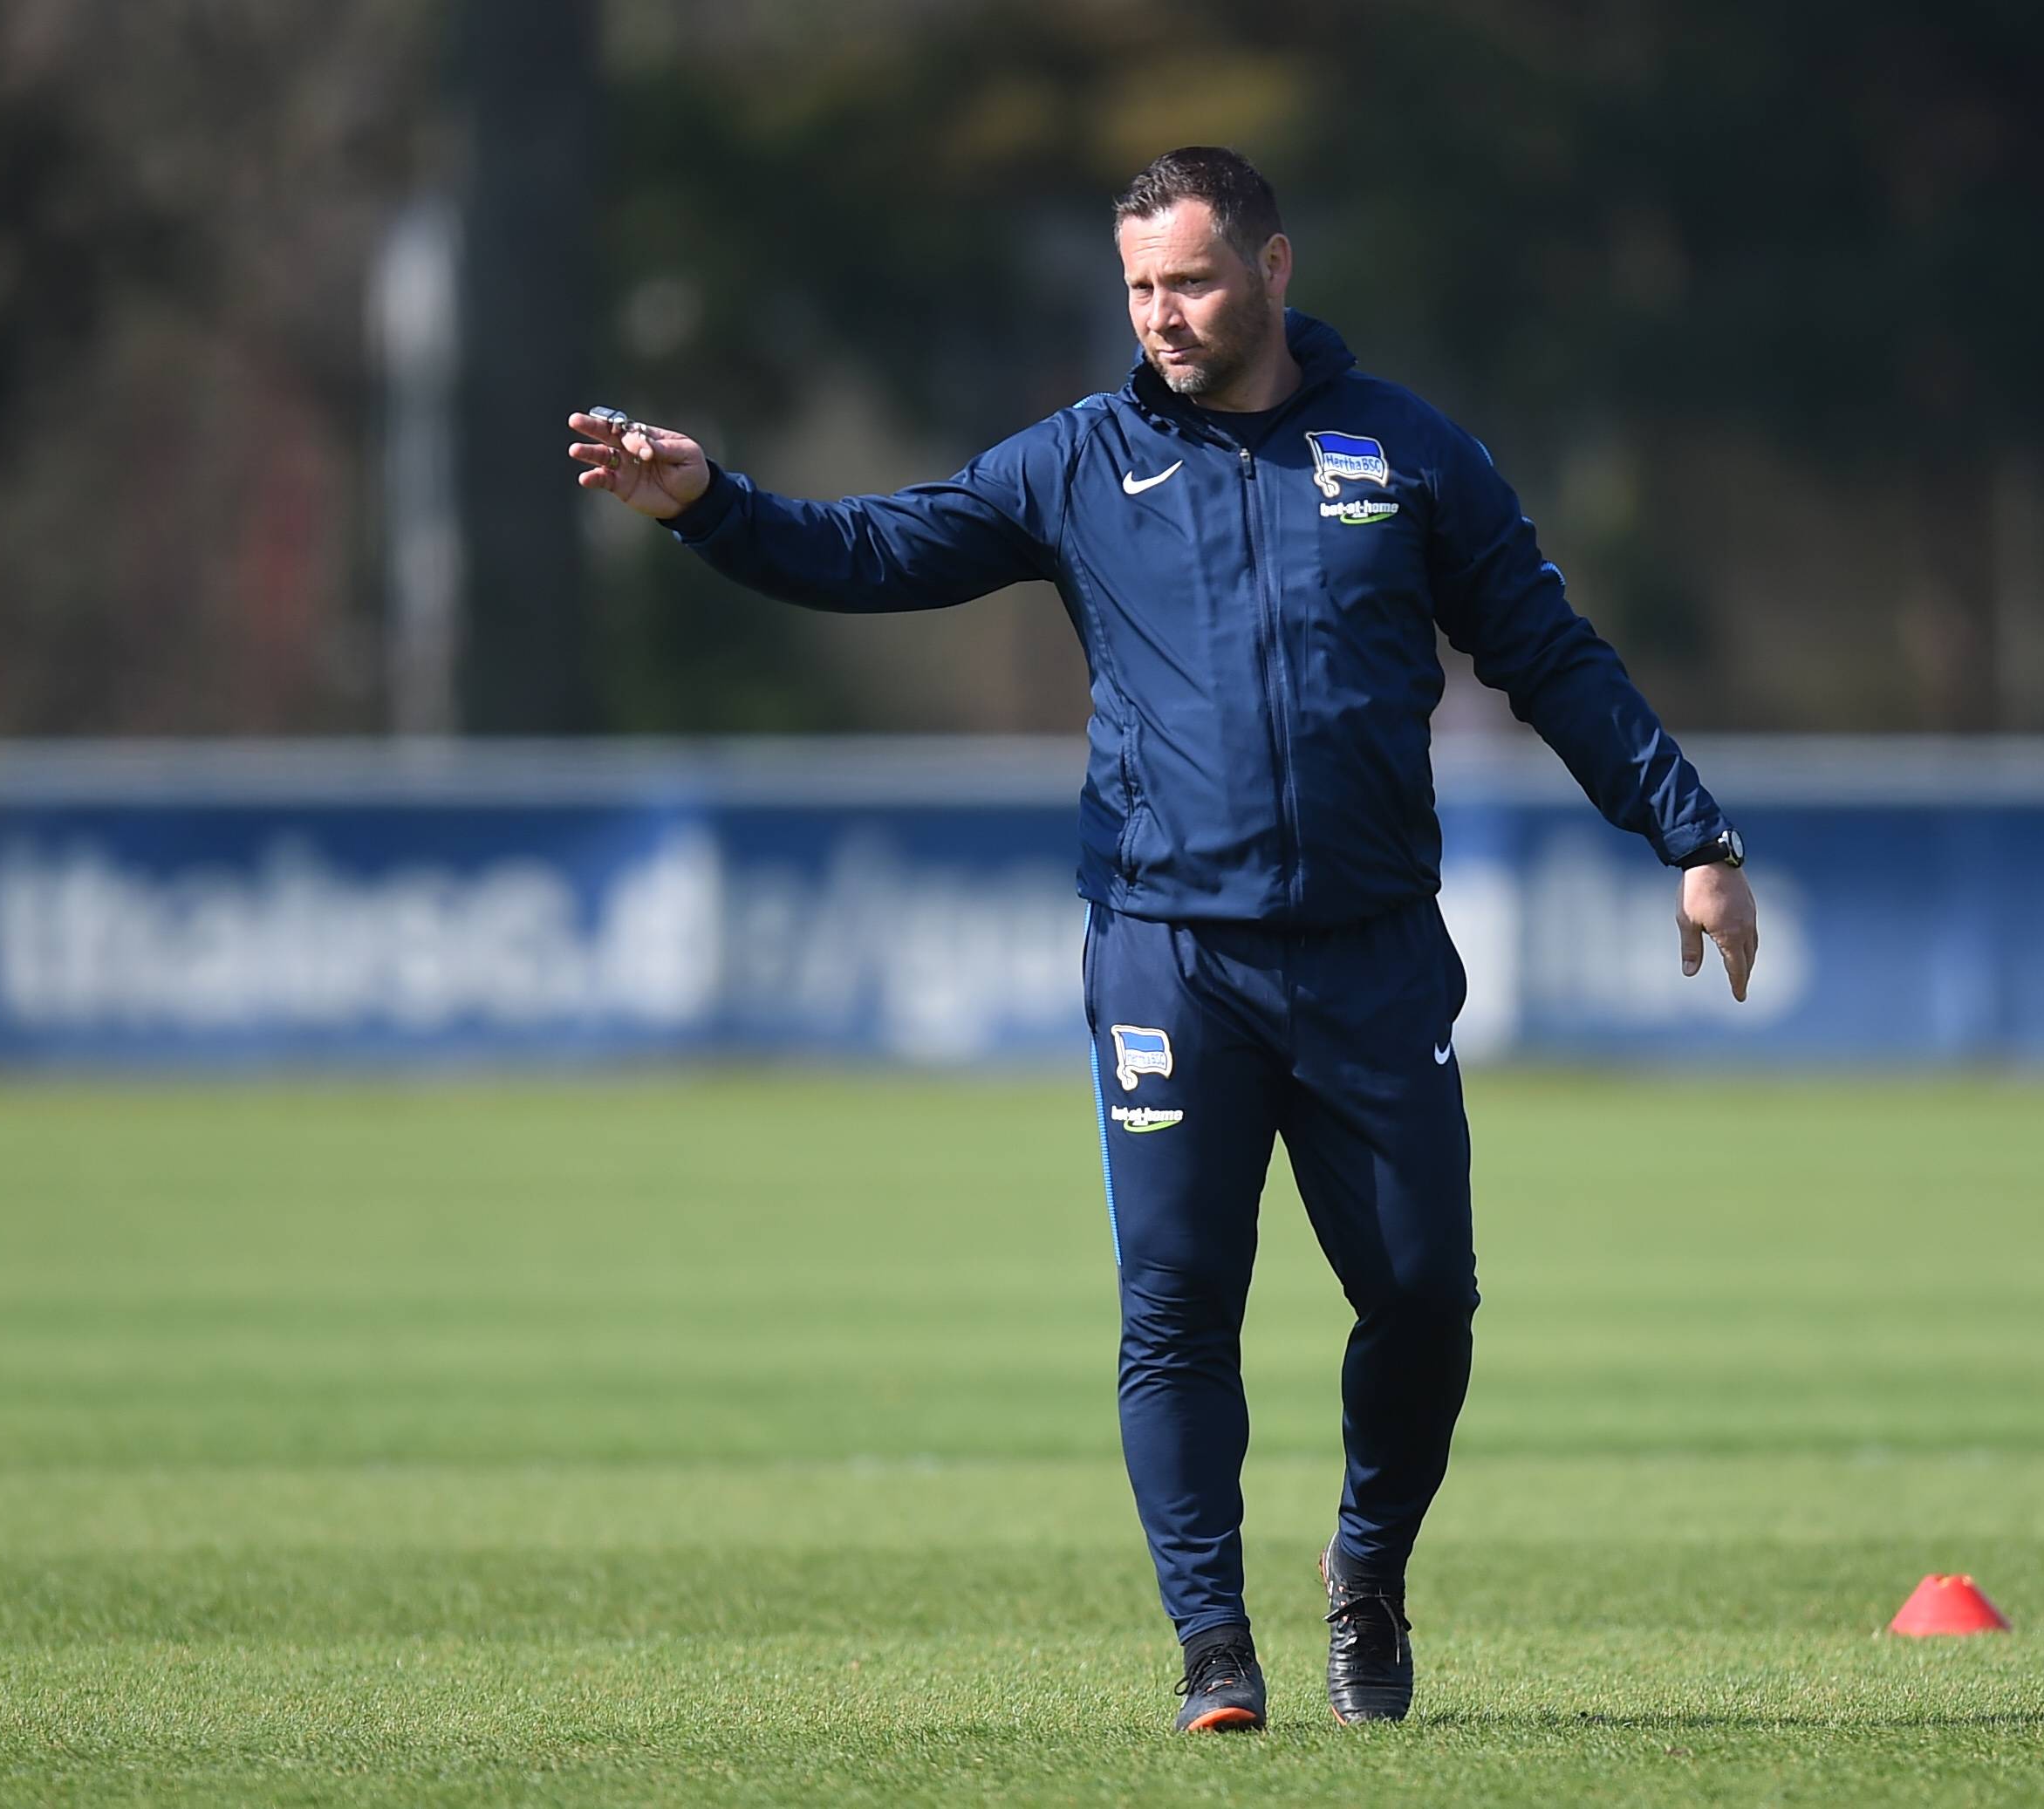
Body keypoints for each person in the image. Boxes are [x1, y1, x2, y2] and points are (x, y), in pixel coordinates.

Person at [567, 146, 1757, 1735]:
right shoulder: (1078, 462)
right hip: (1167, 954)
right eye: (1139, 288)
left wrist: (1691, 831)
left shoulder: (1408, 454)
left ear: (1273, 266)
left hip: (1372, 952)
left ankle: (1367, 1569)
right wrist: (710, 507)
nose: (1162, 317)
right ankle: (1214, 1647)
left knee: (1424, 1296)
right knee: (1175, 1305)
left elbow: (1550, 651)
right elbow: (873, 551)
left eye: (1189, 280)